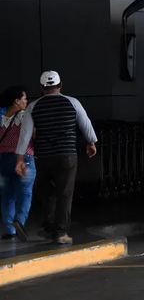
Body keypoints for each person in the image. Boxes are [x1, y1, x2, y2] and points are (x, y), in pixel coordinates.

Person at [15, 71, 97, 244]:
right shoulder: (72, 102)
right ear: (60, 86)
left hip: (44, 157)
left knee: (47, 194)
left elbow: (25, 134)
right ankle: (60, 233)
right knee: (65, 194)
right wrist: (91, 142)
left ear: (42, 87)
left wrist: (20, 158)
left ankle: (49, 227)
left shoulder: (33, 107)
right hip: (67, 156)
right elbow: (86, 125)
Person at [0, 86, 35, 241]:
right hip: (23, 158)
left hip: (3, 160)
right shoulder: (25, 116)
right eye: (24, 99)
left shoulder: (1, 117)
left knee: (7, 195)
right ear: (17, 101)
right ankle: (19, 220)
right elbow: (33, 135)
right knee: (25, 192)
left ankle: (9, 230)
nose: (26, 102)